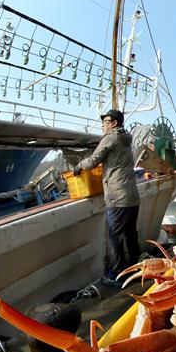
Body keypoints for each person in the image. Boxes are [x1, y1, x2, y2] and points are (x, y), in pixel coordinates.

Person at [73, 109, 140, 286]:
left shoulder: (111, 138)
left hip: (118, 197)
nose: (103, 124)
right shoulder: (126, 139)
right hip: (132, 196)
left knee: (115, 237)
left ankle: (117, 275)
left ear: (114, 123)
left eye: (106, 121)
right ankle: (137, 269)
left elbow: (94, 159)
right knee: (130, 235)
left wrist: (79, 166)